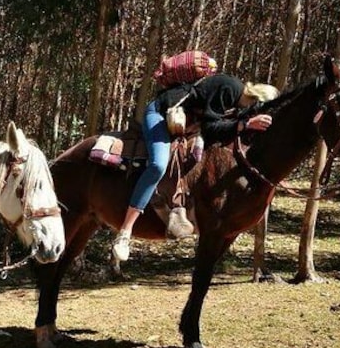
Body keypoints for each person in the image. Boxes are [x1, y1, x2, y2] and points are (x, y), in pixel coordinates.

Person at [111, 74, 276, 262]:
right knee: (158, 165)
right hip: (159, 114)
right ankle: (125, 231)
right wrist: (246, 124)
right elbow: (211, 127)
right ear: (256, 102)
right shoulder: (229, 89)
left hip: (185, 124)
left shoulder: (236, 104)